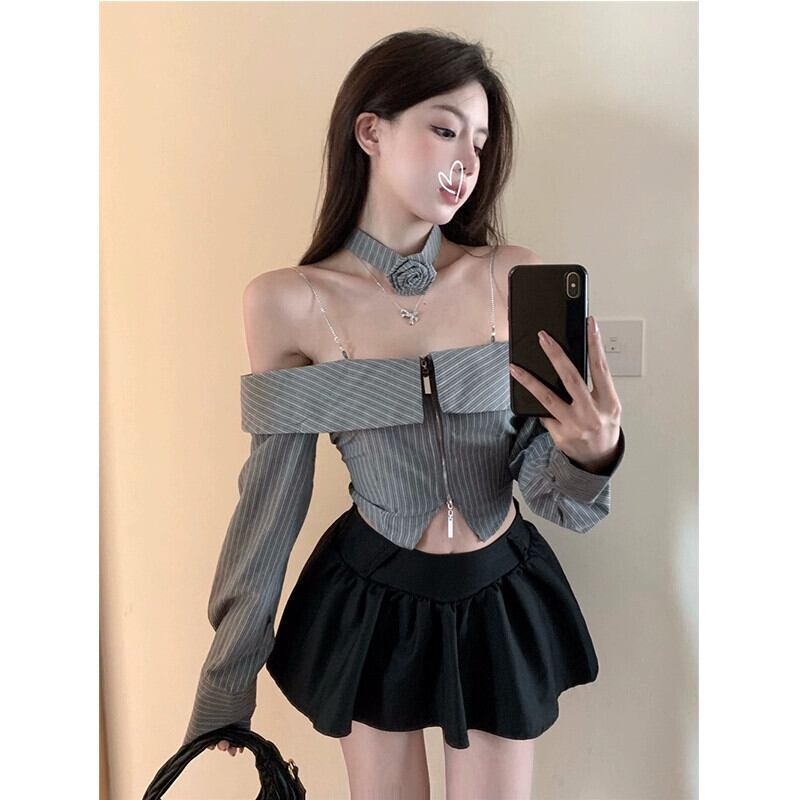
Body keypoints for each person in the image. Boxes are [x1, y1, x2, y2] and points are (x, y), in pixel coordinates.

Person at [184, 28, 625, 799]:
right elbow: (271, 504)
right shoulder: (287, 303)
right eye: (445, 129)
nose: (467, 161)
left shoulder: (514, 278)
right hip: (370, 600)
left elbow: (548, 490)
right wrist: (226, 680)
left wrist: (592, 454)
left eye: (479, 142)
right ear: (371, 131)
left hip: (499, 590)